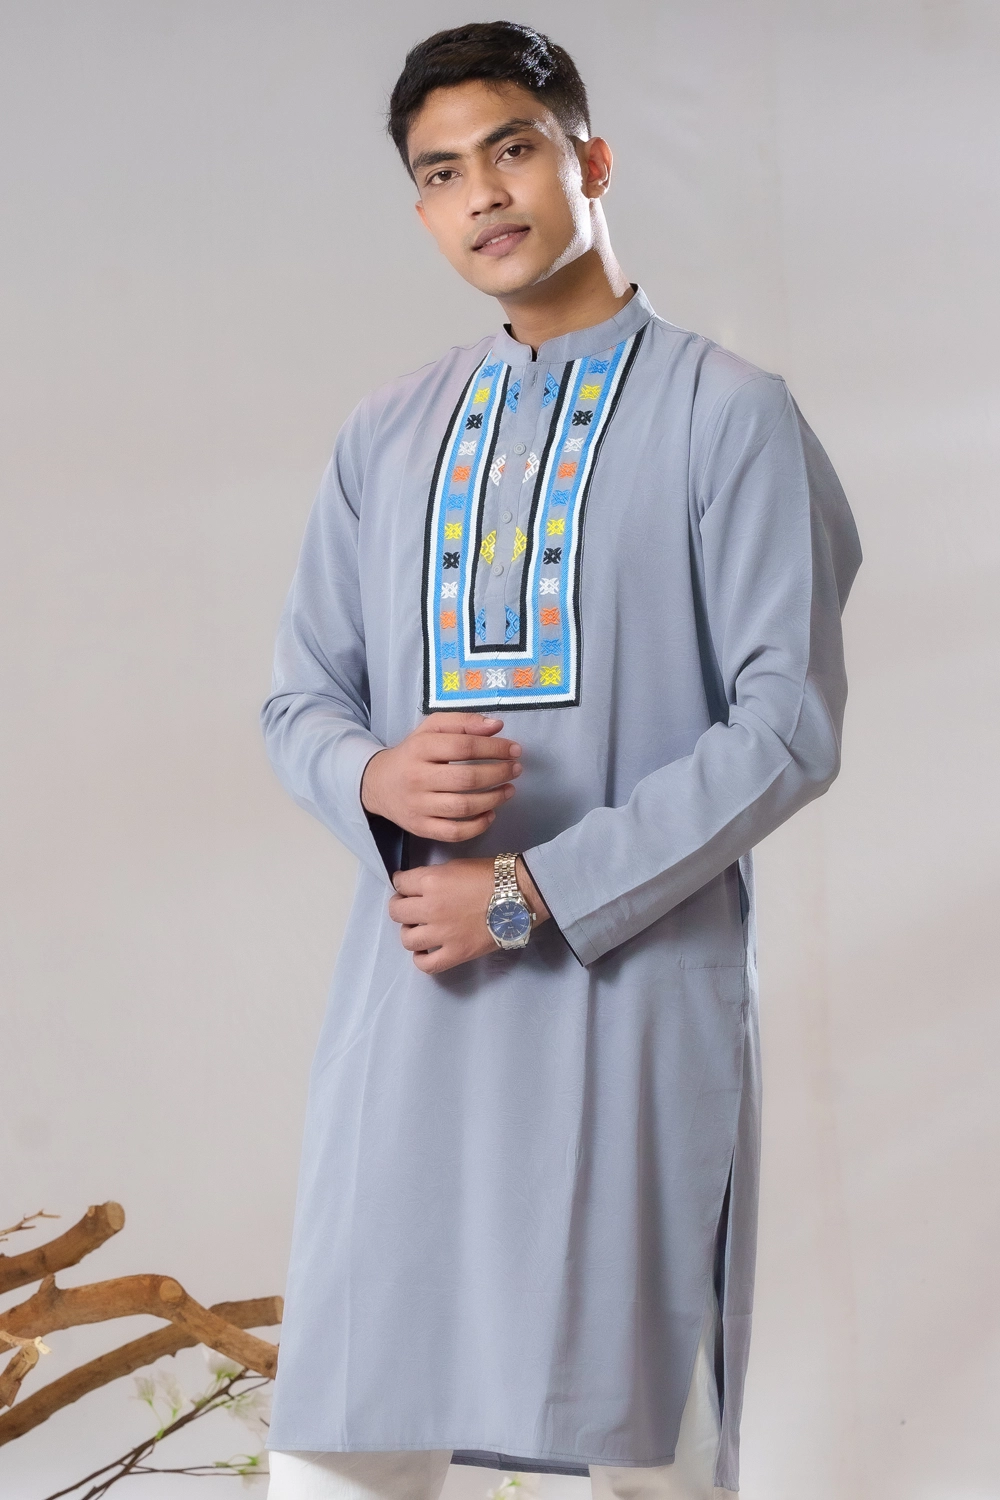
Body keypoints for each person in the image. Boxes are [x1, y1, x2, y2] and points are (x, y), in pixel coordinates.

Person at [261, 21, 862, 1500]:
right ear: (421, 210)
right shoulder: (385, 436)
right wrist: (374, 780)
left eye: (512, 149)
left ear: (590, 161)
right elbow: (301, 703)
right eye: (440, 173)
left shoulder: (731, 415)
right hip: (411, 1005)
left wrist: (526, 892)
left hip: (632, 1002)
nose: (482, 194)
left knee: (642, 1437)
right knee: (341, 1436)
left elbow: (786, 725)